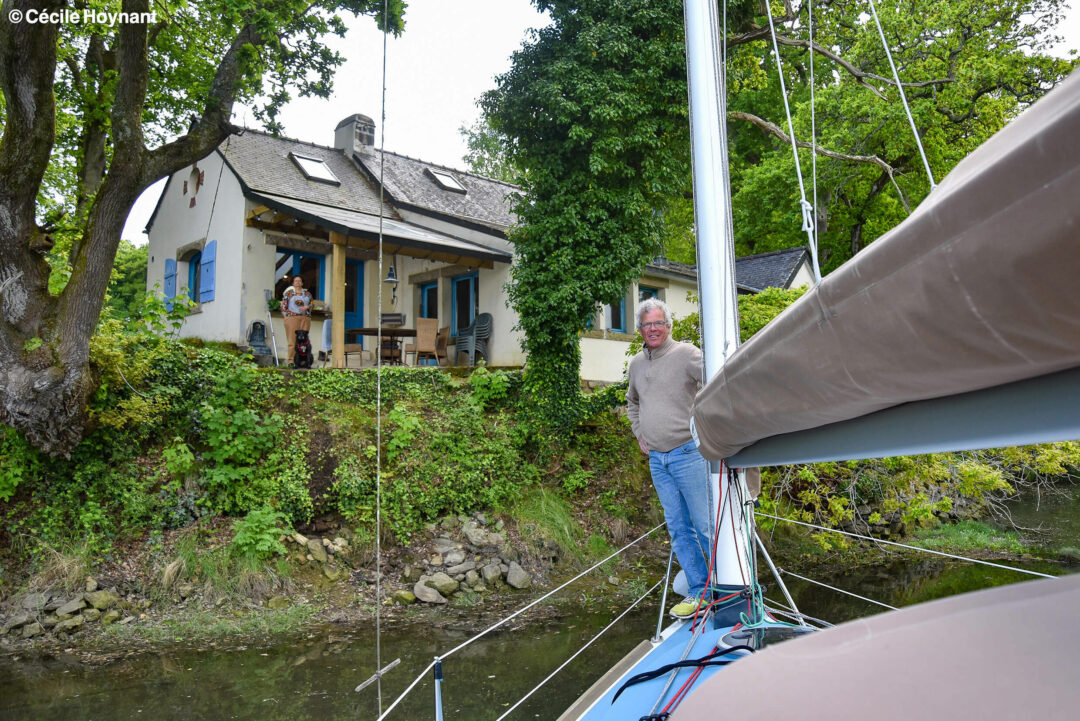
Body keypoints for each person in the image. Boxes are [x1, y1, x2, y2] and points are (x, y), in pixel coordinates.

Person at [626, 298, 712, 619]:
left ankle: (729, 587)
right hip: (657, 461)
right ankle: (699, 591)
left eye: (658, 323)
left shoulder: (687, 354)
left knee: (705, 525)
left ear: (668, 325)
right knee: (678, 528)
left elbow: (717, 381)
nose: (652, 329)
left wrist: (703, 422)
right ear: (640, 329)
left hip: (688, 454)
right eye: (647, 324)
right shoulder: (636, 364)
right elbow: (632, 402)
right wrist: (639, 432)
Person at [282, 276, 312, 366]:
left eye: (300, 281)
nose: (298, 282)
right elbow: (283, 306)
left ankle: (304, 361)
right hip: (292, 318)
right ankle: (291, 361)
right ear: (293, 283)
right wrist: (286, 317)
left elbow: (312, 304)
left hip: (305, 318)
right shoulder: (288, 293)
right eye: (296, 281)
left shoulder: (307, 294)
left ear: (302, 283)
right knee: (292, 340)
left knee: (304, 341)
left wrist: (307, 306)